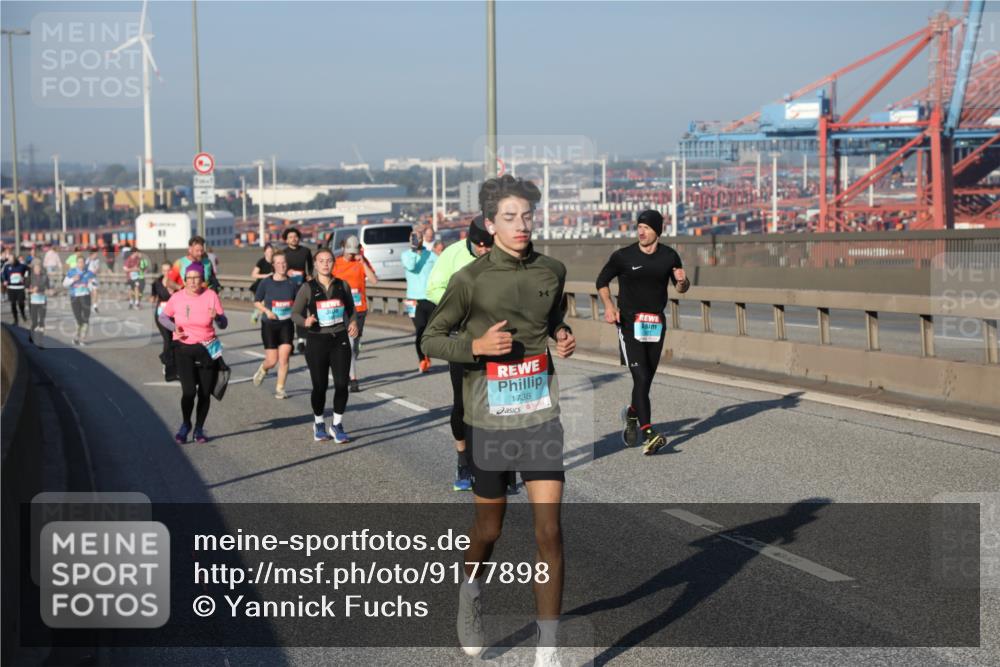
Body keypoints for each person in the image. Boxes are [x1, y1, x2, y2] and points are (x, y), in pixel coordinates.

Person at [422, 175, 577, 664]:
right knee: (489, 530)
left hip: (540, 417)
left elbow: (550, 316)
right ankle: (470, 594)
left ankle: (547, 648)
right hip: (488, 421)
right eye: (510, 218)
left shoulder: (552, 269)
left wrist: (563, 334)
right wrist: (477, 347)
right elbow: (431, 338)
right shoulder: (470, 280)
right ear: (490, 225)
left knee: (549, 532)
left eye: (527, 216)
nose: (521, 225)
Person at [596, 209, 689, 455]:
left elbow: (681, 289)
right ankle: (648, 432)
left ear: (657, 231)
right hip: (629, 323)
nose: (641, 231)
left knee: (646, 379)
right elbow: (601, 281)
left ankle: (631, 414)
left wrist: (681, 281)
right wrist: (609, 306)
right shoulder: (623, 256)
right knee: (640, 376)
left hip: (655, 324)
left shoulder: (669, 256)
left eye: (646, 228)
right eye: (639, 227)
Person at [425, 216, 494, 492]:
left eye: (491, 246)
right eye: (482, 246)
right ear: (472, 242)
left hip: (496, 337)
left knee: (499, 403)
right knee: (463, 405)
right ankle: (463, 462)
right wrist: (460, 307)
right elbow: (433, 289)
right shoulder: (452, 255)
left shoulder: (502, 255)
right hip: (461, 337)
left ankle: (498, 465)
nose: (487, 251)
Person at [290, 248, 358, 443]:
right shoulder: (307, 288)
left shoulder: (342, 285)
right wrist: (305, 322)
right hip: (317, 340)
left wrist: (352, 323)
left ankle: (337, 425)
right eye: (322, 261)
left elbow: (352, 310)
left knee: (341, 384)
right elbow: (295, 313)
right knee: (320, 387)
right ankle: (319, 422)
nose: (326, 264)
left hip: (340, 339)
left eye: (329, 260)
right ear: (315, 264)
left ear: (333, 263)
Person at [158, 262, 228, 444]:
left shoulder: (211, 296)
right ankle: (186, 424)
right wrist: (175, 328)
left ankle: (199, 429)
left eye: (196, 278)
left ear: (202, 280)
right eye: (189, 278)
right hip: (184, 349)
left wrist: (218, 317)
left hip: (207, 348)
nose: (193, 281)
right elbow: (163, 317)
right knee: (189, 392)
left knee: (205, 393)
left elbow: (223, 323)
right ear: (184, 280)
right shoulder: (177, 297)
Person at [333, 235, 378, 392]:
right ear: (343, 248)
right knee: (349, 344)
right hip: (342, 310)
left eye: (354, 251)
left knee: (355, 347)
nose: (351, 255)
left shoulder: (361, 262)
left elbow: (374, 280)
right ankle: (353, 380)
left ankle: (346, 368)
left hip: (359, 309)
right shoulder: (336, 264)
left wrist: (362, 262)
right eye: (349, 251)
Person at [252, 250, 296, 399]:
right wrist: (267, 311)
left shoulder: (292, 283)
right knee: (272, 360)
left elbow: (297, 303)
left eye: (284, 263)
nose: (282, 266)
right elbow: (257, 301)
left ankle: (280, 388)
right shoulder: (266, 282)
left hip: (286, 324)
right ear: (273, 265)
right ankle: (263, 369)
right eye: (278, 263)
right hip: (270, 324)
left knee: (284, 358)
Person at [401, 229, 438, 373]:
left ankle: (427, 353)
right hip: (413, 300)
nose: (417, 239)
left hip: (430, 298)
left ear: (423, 239)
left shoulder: (431, 255)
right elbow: (411, 267)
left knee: (430, 331)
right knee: (420, 329)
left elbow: (441, 269)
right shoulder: (405, 255)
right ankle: (422, 359)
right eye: (414, 237)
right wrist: (413, 250)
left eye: (419, 237)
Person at [282, 227, 314, 353]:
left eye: (295, 236)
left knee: (301, 313)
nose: (293, 239)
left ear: (299, 238)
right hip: (288, 286)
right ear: (286, 240)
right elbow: (277, 269)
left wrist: (309, 275)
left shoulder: (305, 251)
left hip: (302, 286)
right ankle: (288, 342)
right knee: (289, 314)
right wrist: (286, 271)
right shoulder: (283, 253)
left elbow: (310, 266)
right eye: (290, 237)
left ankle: (302, 341)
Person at [151, 262, 178, 380]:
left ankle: (168, 359)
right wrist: (152, 299)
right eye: (164, 270)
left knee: (174, 340)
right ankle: (166, 363)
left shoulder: (176, 283)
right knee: (167, 339)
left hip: (175, 315)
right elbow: (153, 296)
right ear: (162, 271)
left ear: (172, 271)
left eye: (168, 270)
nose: (166, 272)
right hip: (161, 315)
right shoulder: (156, 283)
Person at [63, 256, 98, 345]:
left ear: (84, 263)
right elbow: (64, 284)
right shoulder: (71, 272)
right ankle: (77, 335)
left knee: (86, 317)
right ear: (76, 263)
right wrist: (72, 279)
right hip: (74, 296)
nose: (81, 264)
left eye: (82, 262)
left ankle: (83, 338)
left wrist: (91, 282)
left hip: (85, 296)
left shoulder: (89, 273)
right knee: (78, 318)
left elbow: (95, 284)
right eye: (79, 262)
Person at [249, 243, 275, 324]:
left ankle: (259, 314)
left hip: (271, 286)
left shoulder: (275, 262)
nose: (270, 253)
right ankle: (256, 314)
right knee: (263, 303)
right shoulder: (261, 262)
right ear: (265, 252)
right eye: (268, 251)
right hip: (260, 286)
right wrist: (266, 275)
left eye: (271, 251)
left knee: (267, 303)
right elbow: (253, 274)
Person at [1, 255, 29, 326]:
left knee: (21, 303)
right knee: (13, 304)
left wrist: (25, 278)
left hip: (20, 287)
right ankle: (15, 319)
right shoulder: (7, 266)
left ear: (15, 259)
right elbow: (2, 274)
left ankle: (23, 315)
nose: (10, 261)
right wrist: (4, 280)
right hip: (11, 288)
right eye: (9, 259)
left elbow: (28, 270)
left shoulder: (21, 266)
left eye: (12, 259)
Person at [27, 261, 50, 339]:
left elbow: (48, 288)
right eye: (35, 268)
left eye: (38, 268)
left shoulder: (45, 277)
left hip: (42, 301)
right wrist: (32, 290)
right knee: (34, 321)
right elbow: (26, 289)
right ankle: (32, 335)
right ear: (33, 269)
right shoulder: (30, 277)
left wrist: (48, 291)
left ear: (40, 269)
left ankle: (40, 340)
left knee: (42, 321)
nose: (37, 269)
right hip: (33, 301)